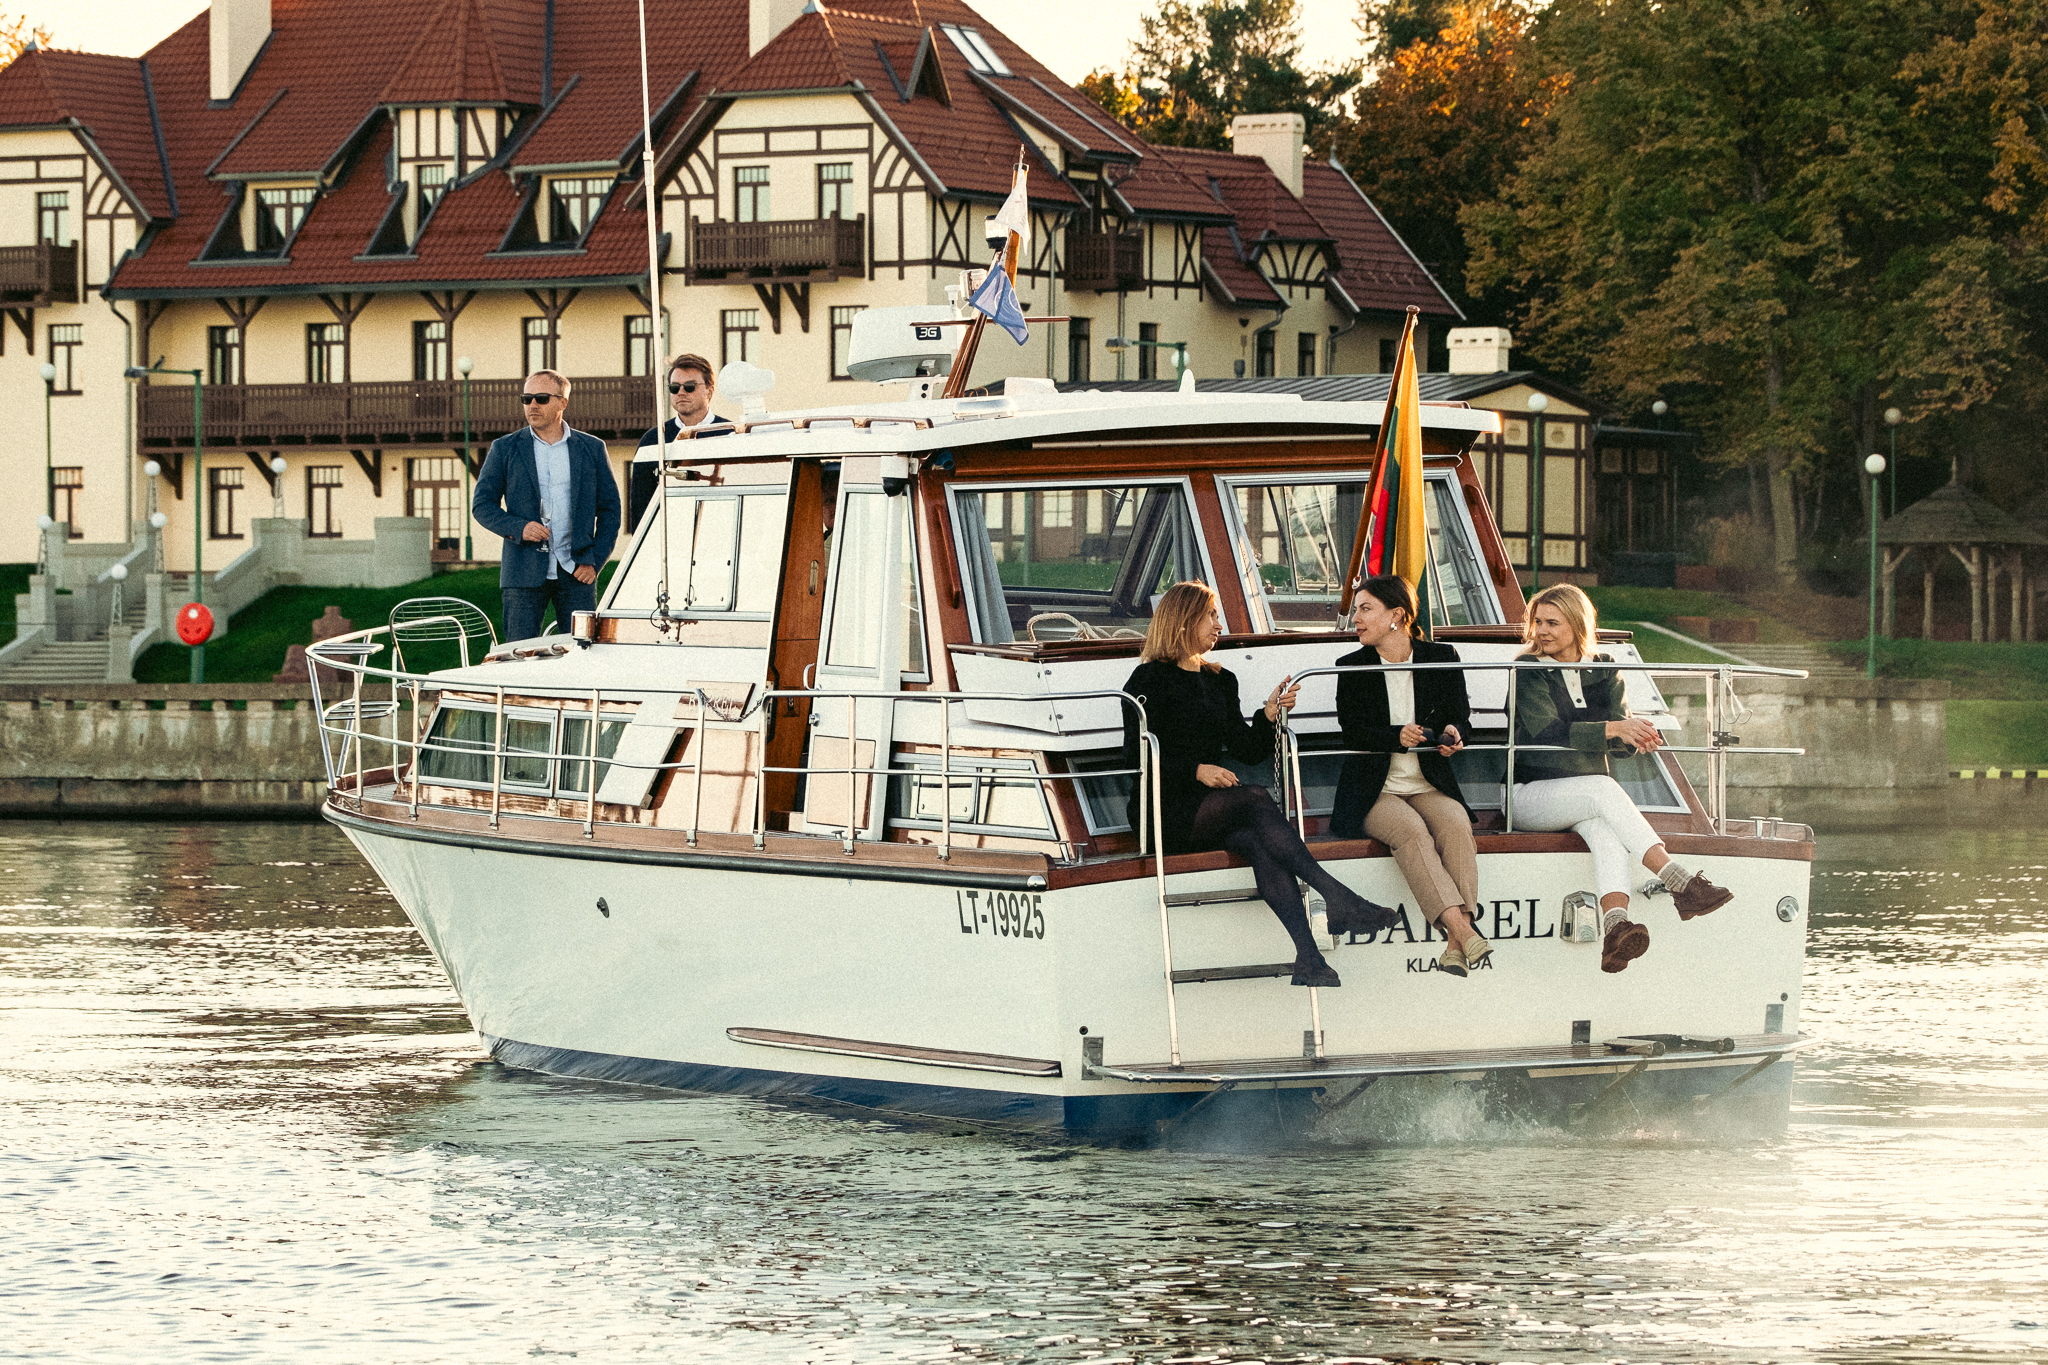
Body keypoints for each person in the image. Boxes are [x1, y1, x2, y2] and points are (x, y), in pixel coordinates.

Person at [1120, 582, 1398, 987]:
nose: (1219, 625)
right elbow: (1134, 755)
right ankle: (1338, 896)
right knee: (1254, 797)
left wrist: (1268, 715)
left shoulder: (1221, 680)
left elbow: (1247, 750)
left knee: (1258, 843)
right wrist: (1195, 770)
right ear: (1184, 620)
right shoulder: (1147, 680)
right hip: (1163, 811)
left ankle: (1309, 958)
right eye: (1211, 616)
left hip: (1209, 809)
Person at [1510, 583, 1732, 973]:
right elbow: (1548, 731)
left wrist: (1635, 737)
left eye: (1551, 622)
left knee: (1608, 830)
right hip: (1527, 796)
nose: (1541, 631)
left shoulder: (1605, 665)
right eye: (1537, 622)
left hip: (1585, 800)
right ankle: (1679, 882)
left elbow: (1617, 739)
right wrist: (1616, 728)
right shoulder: (1528, 668)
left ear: (1577, 624)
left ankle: (1615, 929)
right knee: (1602, 788)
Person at [1330, 574, 1487, 978]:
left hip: (1427, 782)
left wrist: (1455, 734)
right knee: (1412, 832)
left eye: (1365, 609)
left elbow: (1461, 718)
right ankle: (1465, 931)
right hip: (1374, 789)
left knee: (1456, 825)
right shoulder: (1351, 666)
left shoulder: (1441, 656)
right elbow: (1353, 732)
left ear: (1397, 615)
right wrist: (1395, 736)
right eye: (1357, 610)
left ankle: (1456, 944)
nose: (1356, 619)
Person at [471, 369, 622, 642]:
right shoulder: (504, 448)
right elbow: (482, 505)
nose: (532, 405)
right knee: (519, 654)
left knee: (582, 651)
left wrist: (595, 561)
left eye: (541, 398)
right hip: (522, 573)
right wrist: (519, 528)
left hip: (577, 572)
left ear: (563, 402)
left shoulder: (592, 448)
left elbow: (610, 510)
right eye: (526, 399)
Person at [627, 353, 731, 532]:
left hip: (721, 534)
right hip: (669, 539)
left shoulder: (731, 435)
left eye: (690, 386)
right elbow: (640, 508)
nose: (681, 392)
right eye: (675, 387)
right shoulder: (653, 440)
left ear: (709, 391)